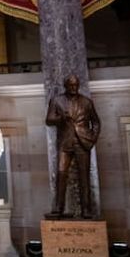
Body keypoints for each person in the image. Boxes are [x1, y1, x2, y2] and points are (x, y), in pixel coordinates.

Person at [45, 74, 100, 218]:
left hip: (82, 142)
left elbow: (96, 122)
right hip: (65, 143)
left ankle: (86, 209)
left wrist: (93, 138)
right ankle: (58, 208)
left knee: (84, 176)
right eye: (71, 85)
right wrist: (61, 118)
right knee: (61, 174)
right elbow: (49, 120)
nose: (73, 88)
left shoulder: (86, 102)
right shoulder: (57, 100)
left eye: (76, 85)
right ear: (66, 86)